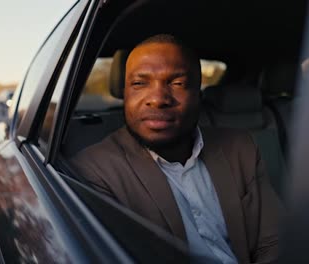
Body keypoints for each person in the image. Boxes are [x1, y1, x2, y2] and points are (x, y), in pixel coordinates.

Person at [70, 34, 282, 264]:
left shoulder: (240, 147)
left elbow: (274, 243)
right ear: (125, 93)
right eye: (140, 83)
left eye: (177, 83)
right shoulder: (93, 172)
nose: (158, 98)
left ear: (198, 93)